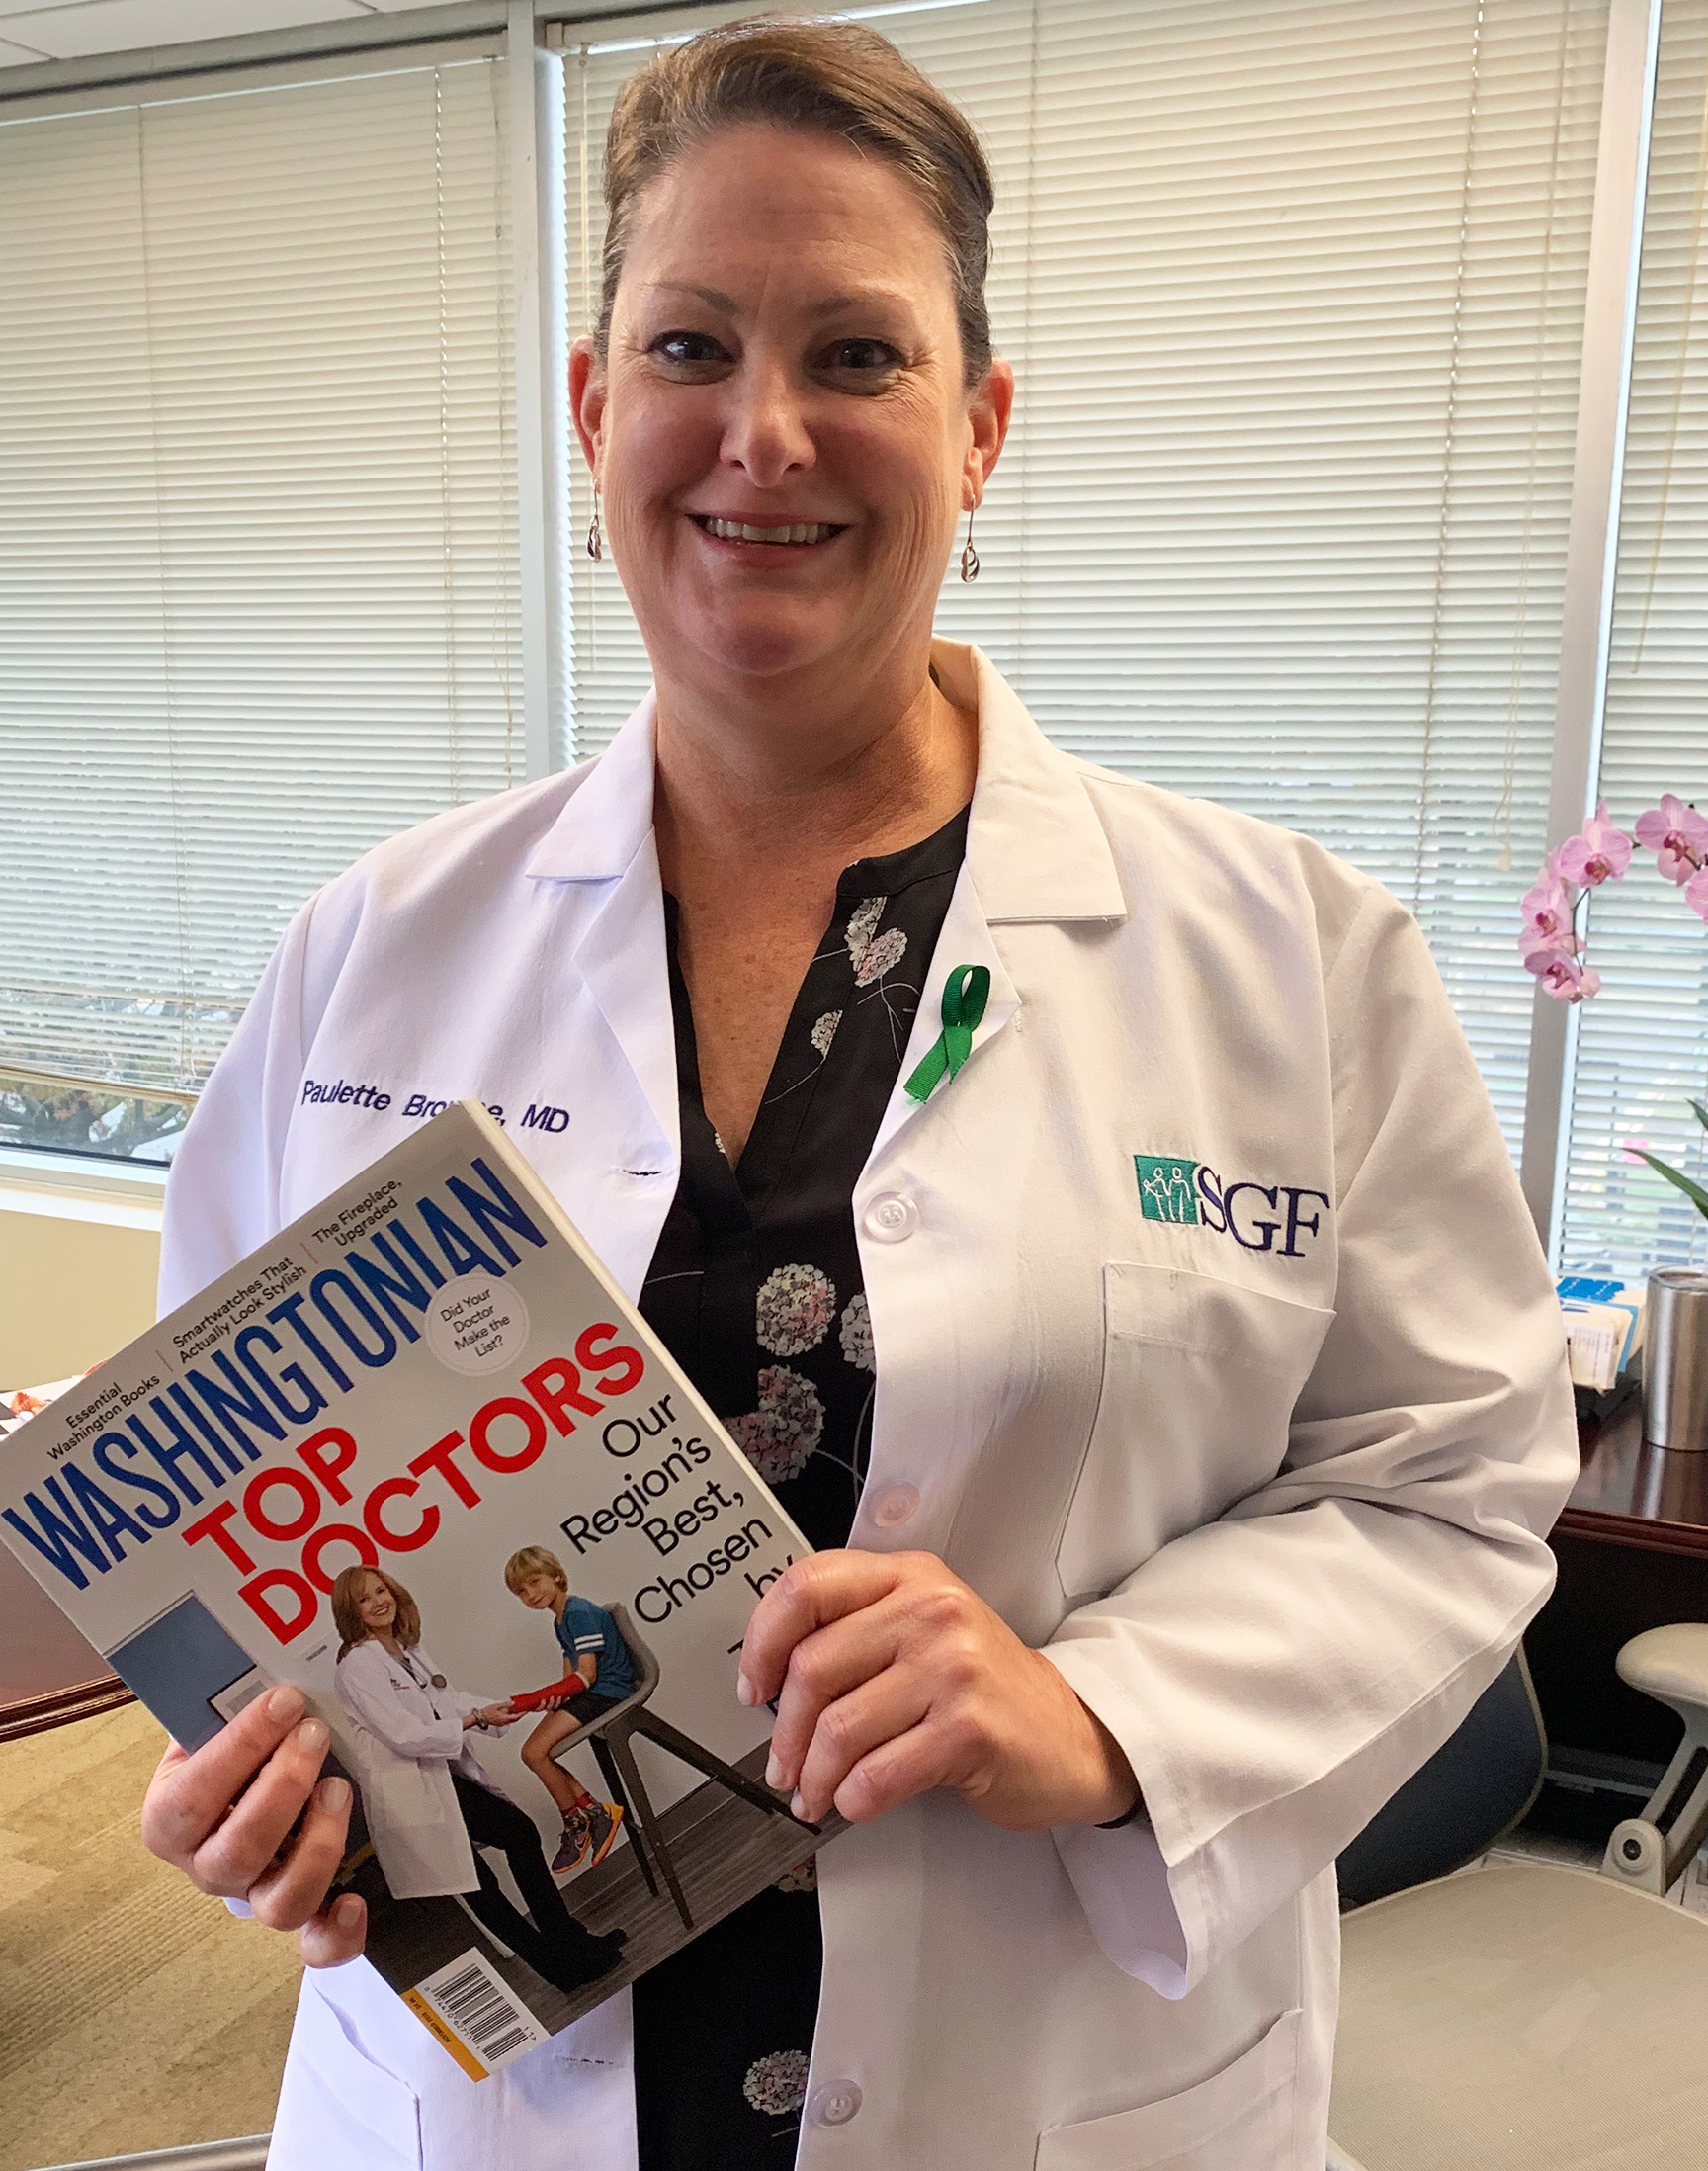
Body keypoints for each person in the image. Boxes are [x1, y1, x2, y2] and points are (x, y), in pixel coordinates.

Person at [138, 17, 1577, 2170]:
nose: (764, 434)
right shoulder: (374, 945)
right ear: (592, 408)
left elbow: (1449, 1476)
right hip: (484, 2093)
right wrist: (251, 1780)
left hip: (1056, 2082)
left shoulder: (1292, 952)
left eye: (858, 355)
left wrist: (1106, 1713)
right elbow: (211, 1512)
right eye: (690, 347)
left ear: (979, 426)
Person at [329, 1565, 626, 1999]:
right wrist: (475, 1719)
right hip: (409, 1791)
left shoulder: (406, 1650)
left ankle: (570, 1945)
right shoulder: (357, 1665)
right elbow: (403, 1734)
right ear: (350, 1611)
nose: (378, 1602)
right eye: (364, 1598)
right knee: (485, 1875)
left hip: (437, 1775)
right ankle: (562, 1960)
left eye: (381, 1590)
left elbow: (445, 1700)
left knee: (509, 1846)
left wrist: (501, 1708)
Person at [503, 1545, 632, 1871]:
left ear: (557, 1576)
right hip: (594, 1693)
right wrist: (553, 1703)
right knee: (533, 1752)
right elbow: (569, 1680)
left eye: (534, 1582)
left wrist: (531, 1700)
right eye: (521, 1591)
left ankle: (579, 1820)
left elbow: (586, 1675)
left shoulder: (578, 1613)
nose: (530, 1594)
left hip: (607, 1692)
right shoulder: (561, 1621)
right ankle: (593, 1812)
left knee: (534, 1753)